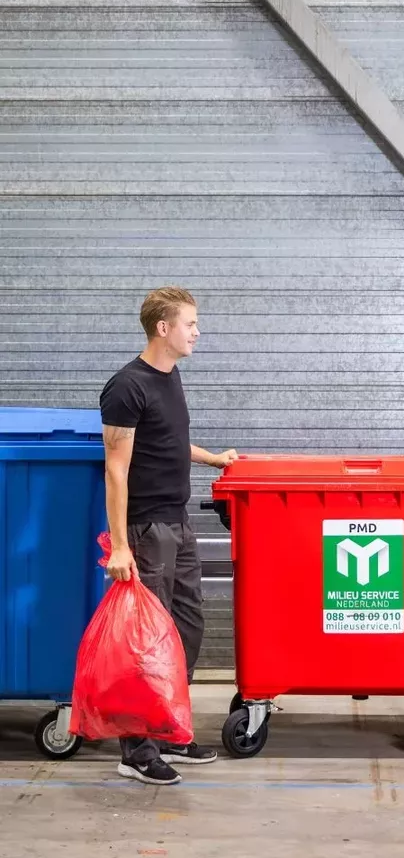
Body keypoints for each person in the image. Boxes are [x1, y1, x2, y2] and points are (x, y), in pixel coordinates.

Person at [99, 286, 238, 785]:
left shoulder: (169, 376)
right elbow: (116, 469)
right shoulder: (127, 386)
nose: (197, 332)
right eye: (191, 324)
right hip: (146, 527)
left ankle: (168, 728)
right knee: (147, 641)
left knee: (187, 629)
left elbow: (170, 440)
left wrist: (212, 459)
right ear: (164, 328)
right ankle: (136, 749)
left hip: (178, 522)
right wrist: (119, 544)